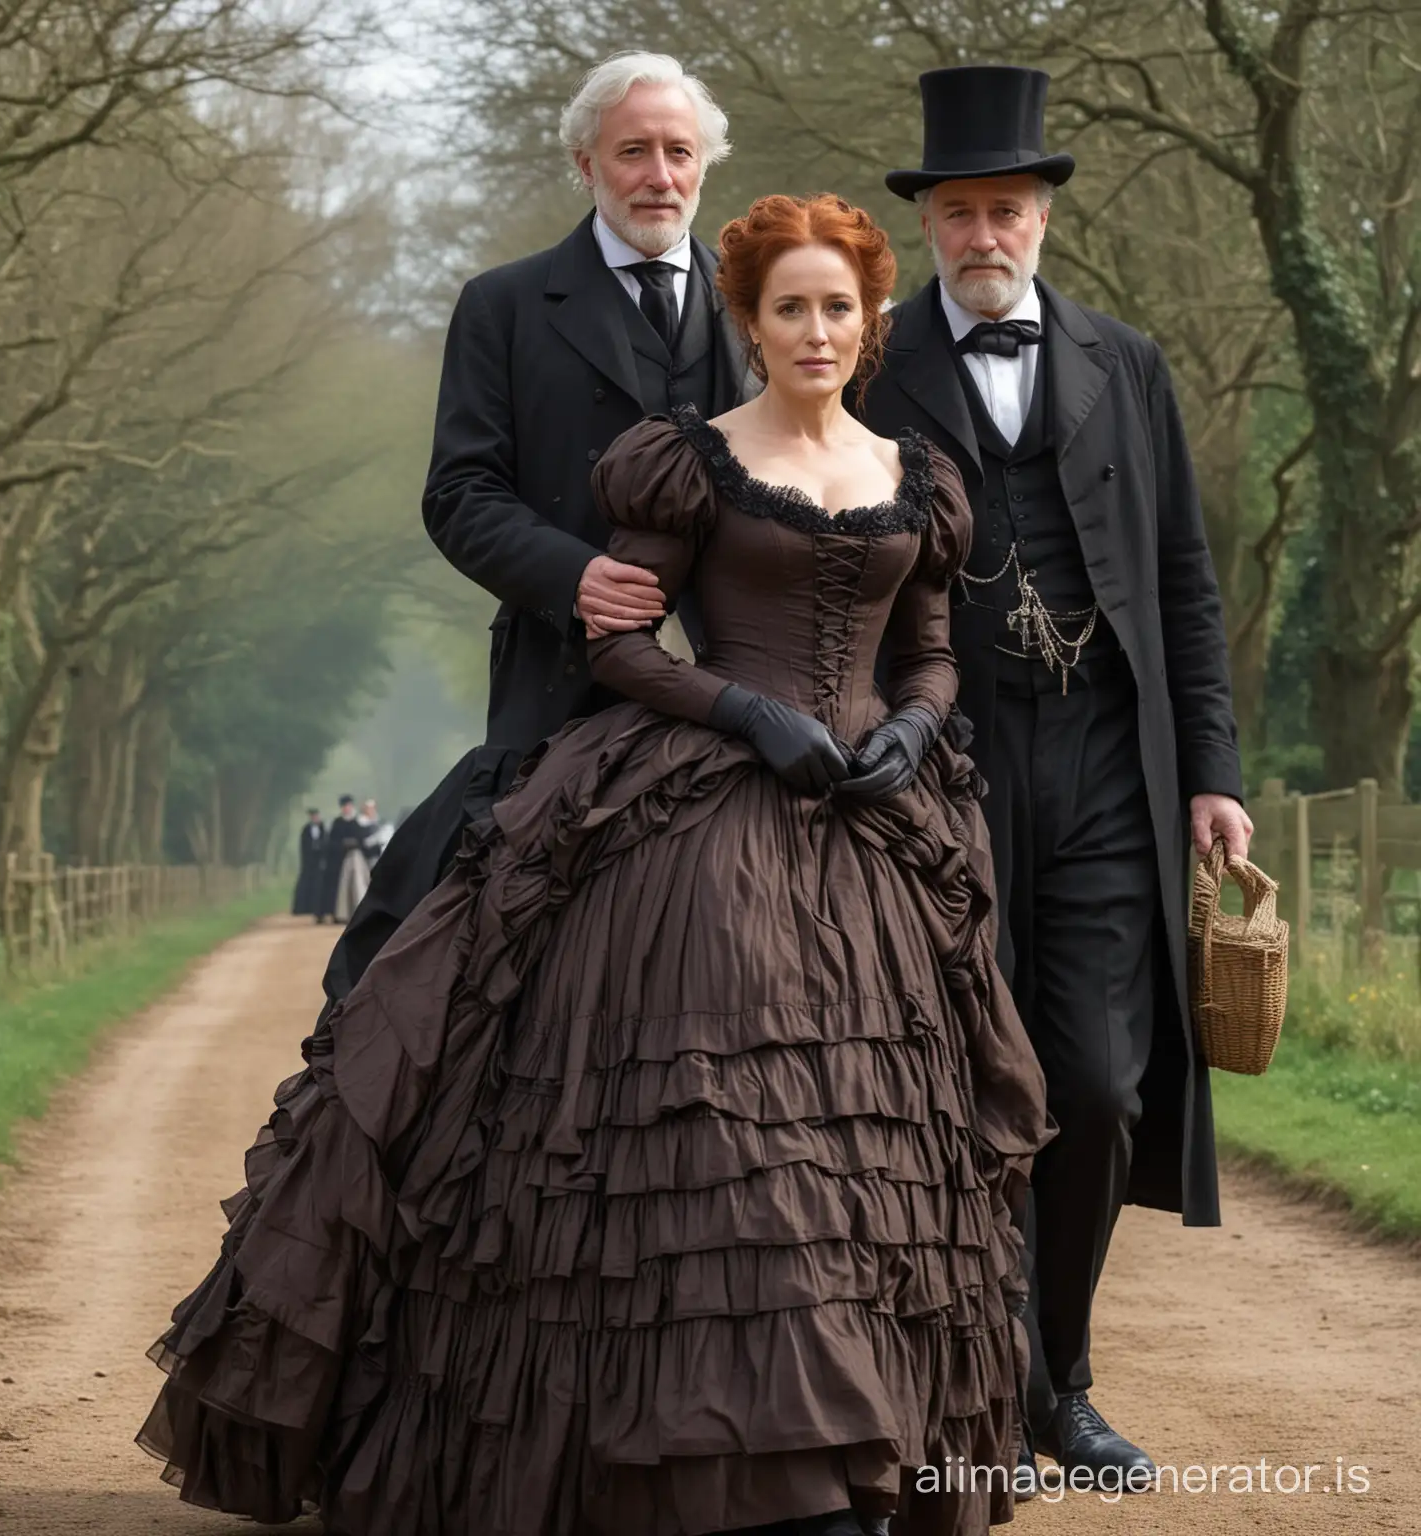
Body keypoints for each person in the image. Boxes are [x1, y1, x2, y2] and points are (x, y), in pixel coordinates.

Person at [138, 193, 1049, 1535]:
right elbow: (622, 642)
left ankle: (861, 1447)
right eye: (788, 306)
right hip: (703, 825)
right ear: (749, 321)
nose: (814, 328)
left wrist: (912, 730)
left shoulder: (917, 474)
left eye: (837, 308)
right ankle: (759, 1467)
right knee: (735, 1142)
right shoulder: (684, 460)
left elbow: (926, 646)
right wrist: (745, 713)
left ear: (871, 325)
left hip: (878, 839)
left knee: (878, 1153)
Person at [852, 65, 1250, 1486]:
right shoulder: (865, 358)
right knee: (952, 1086)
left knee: (1094, 1081)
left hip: (1102, 765)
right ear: (931, 224)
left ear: (1041, 220)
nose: (985, 232)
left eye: (1006, 208)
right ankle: (985, 1386)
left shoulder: (1129, 366)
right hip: (933, 768)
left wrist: (1213, 767)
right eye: (960, 211)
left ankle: (1063, 1377)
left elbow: (1188, 587)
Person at [317, 50, 751, 1010]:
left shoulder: (760, 307)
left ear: (706, 165)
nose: (659, 174)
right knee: (527, 981)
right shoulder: (503, 305)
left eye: (679, 151)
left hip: (739, 689)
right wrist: (576, 577)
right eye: (632, 151)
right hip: (558, 682)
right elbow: (460, 493)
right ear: (584, 164)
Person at [321, 795, 369, 925]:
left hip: (356, 858)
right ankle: (340, 914)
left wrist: (355, 844)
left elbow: (363, 840)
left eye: (349, 806)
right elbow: (331, 843)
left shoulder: (357, 822)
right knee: (340, 888)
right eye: (345, 806)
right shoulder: (337, 823)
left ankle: (358, 913)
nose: (347, 808)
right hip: (340, 860)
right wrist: (342, 845)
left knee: (358, 884)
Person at [291, 808, 324, 917]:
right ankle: (302, 908)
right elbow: (303, 846)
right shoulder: (306, 829)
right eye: (313, 816)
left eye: (316, 816)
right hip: (309, 861)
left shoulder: (323, 828)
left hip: (319, 860)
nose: (315, 818)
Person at [359, 798, 395, 866]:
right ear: (365, 809)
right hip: (368, 853)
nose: (371, 810)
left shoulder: (380, 821)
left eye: (373, 808)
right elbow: (365, 842)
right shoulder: (360, 823)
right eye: (369, 808)